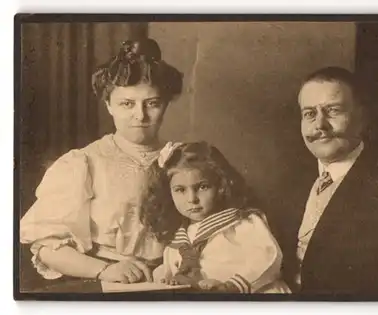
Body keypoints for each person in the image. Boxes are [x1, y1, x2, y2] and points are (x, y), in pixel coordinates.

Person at [19, 38, 183, 290]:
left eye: (152, 103)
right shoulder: (83, 163)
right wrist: (105, 270)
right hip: (105, 282)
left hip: (173, 281)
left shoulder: (184, 158)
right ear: (108, 105)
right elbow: (46, 247)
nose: (140, 115)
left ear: (165, 105)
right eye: (126, 104)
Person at [277, 66, 378, 297]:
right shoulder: (291, 182)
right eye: (310, 114)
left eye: (332, 111)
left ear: (362, 118)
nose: (319, 125)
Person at [142, 142, 290, 293]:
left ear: (221, 186)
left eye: (203, 187)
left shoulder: (241, 223)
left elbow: (267, 257)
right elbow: (170, 268)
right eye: (180, 190)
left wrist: (232, 286)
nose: (192, 199)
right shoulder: (178, 238)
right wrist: (165, 276)